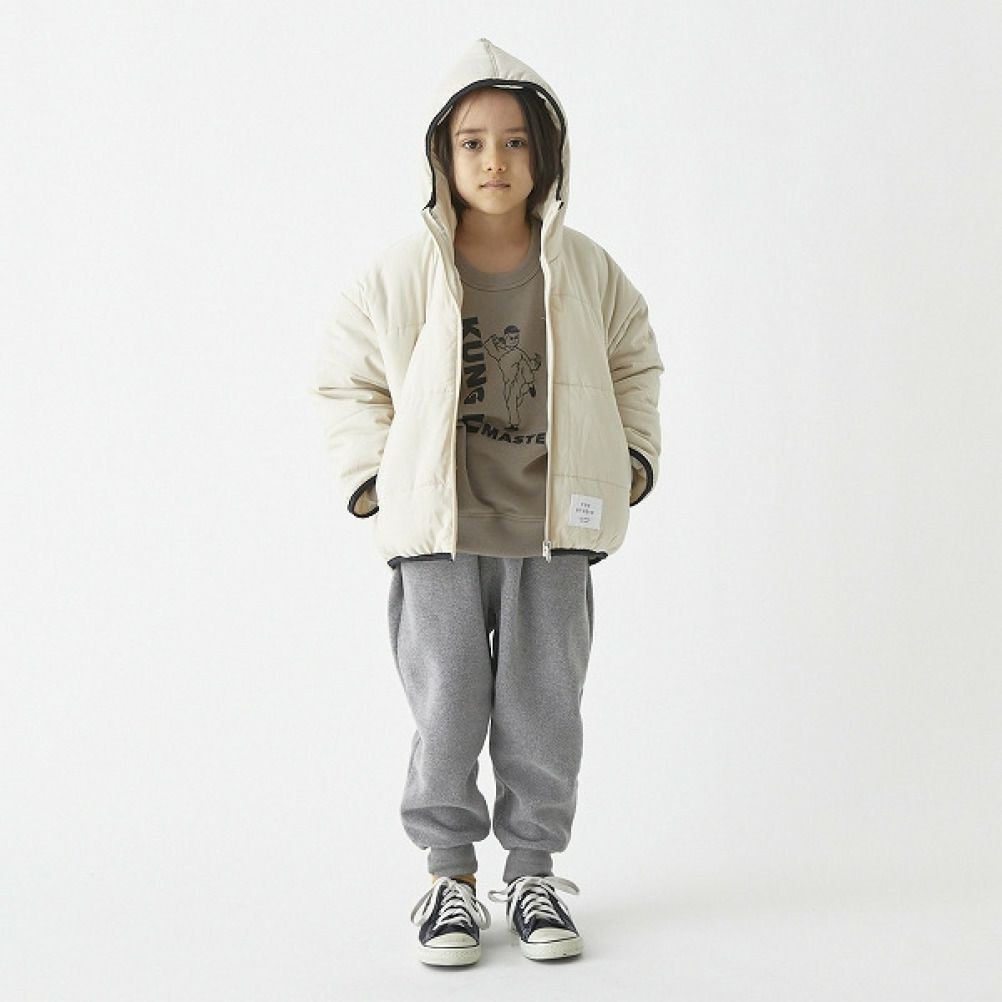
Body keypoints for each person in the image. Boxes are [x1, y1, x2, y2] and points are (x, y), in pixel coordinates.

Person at [312, 37, 664, 966]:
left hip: (554, 531)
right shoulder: (398, 273)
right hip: (438, 534)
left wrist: (632, 461)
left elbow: (635, 361)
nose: (494, 160)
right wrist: (370, 484)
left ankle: (534, 872)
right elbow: (346, 380)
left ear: (546, 155)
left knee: (545, 710)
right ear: (442, 154)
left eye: (514, 141)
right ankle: (451, 879)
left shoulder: (586, 269)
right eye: (472, 142)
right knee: (448, 706)